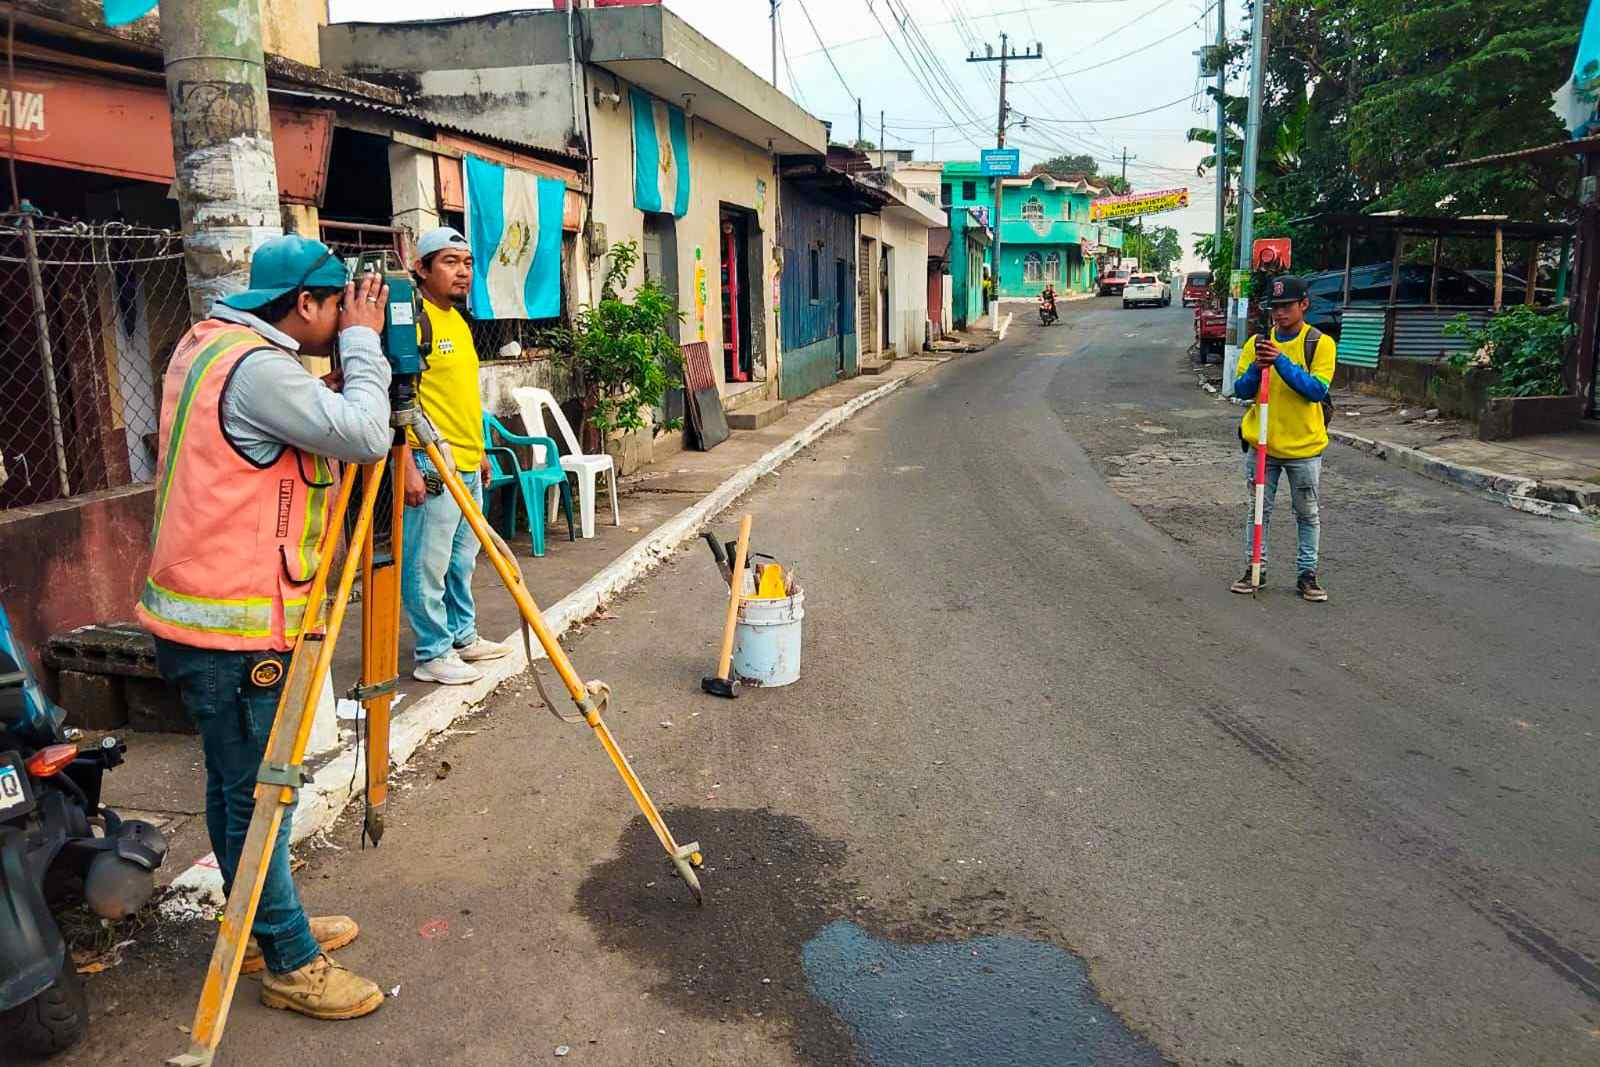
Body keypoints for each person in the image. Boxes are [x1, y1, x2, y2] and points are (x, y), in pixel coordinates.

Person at [137, 235, 391, 1019]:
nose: (347, 315)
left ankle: (252, 920)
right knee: (260, 794)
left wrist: (335, 375)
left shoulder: (212, 344)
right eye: (339, 304)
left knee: (233, 785)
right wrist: (365, 346)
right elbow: (367, 435)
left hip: (197, 618)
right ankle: (289, 958)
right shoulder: (259, 370)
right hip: (236, 631)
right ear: (304, 304)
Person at [401, 226, 509, 685]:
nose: (462, 271)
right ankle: (432, 652)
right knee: (427, 564)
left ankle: (462, 637)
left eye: (466, 263)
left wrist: (480, 450)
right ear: (421, 268)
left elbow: (461, 395)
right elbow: (396, 399)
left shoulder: (458, 321)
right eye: (449, 262)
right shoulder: (412, 320)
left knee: (461, 560)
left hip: (466, 458)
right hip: (430, 461)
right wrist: (407, 465)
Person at [1229, 274, 1337, 602]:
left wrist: (1280, 361)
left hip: (1304, 448)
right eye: (1275, 307)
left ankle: (1307, 574)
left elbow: (1315, 390)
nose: (1279, 313)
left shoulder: (1319, 343)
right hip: (1262, 446)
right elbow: (1240, 390)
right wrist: (1257, 367)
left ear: (1304, 304)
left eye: (1287, 306)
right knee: (1258, 511)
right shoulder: (1256, 344)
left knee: (1307, 514)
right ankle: (1255, 569)